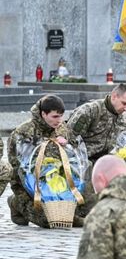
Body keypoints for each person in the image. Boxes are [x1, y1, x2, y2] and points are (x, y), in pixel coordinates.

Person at [6, 95, 80, 227]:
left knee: (66, 215)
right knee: (48, 221)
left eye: (61, 116)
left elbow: (76, 149)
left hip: (58, 181)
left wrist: (67, 143)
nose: (59, 120)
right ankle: (16, 202)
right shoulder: (24, 132)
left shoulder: (61, 128)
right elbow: (18, 166)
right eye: (55, 117)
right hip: (29, 184)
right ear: (43, 114)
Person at [67, 84, 126, 216]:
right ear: (114, 96)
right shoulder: (91, 111)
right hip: (85, 162)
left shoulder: (125, 117)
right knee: (88, 208)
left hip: (109, 162)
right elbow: (69, 137)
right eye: (124, 103)